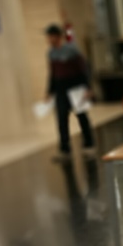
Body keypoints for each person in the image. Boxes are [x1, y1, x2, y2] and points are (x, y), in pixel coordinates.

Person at [43, 24, 95, 160]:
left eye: (50, 36)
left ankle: (89, 144)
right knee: (61, 119)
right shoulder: (51, 53)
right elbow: (53, 74)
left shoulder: (72, 50)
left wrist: (88, 87)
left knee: (81, 116)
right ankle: (65, 149)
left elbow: (83, 68)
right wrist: (49, 91)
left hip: (76, 88)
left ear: (57, 36)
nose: (49, 39)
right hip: (61, 89)